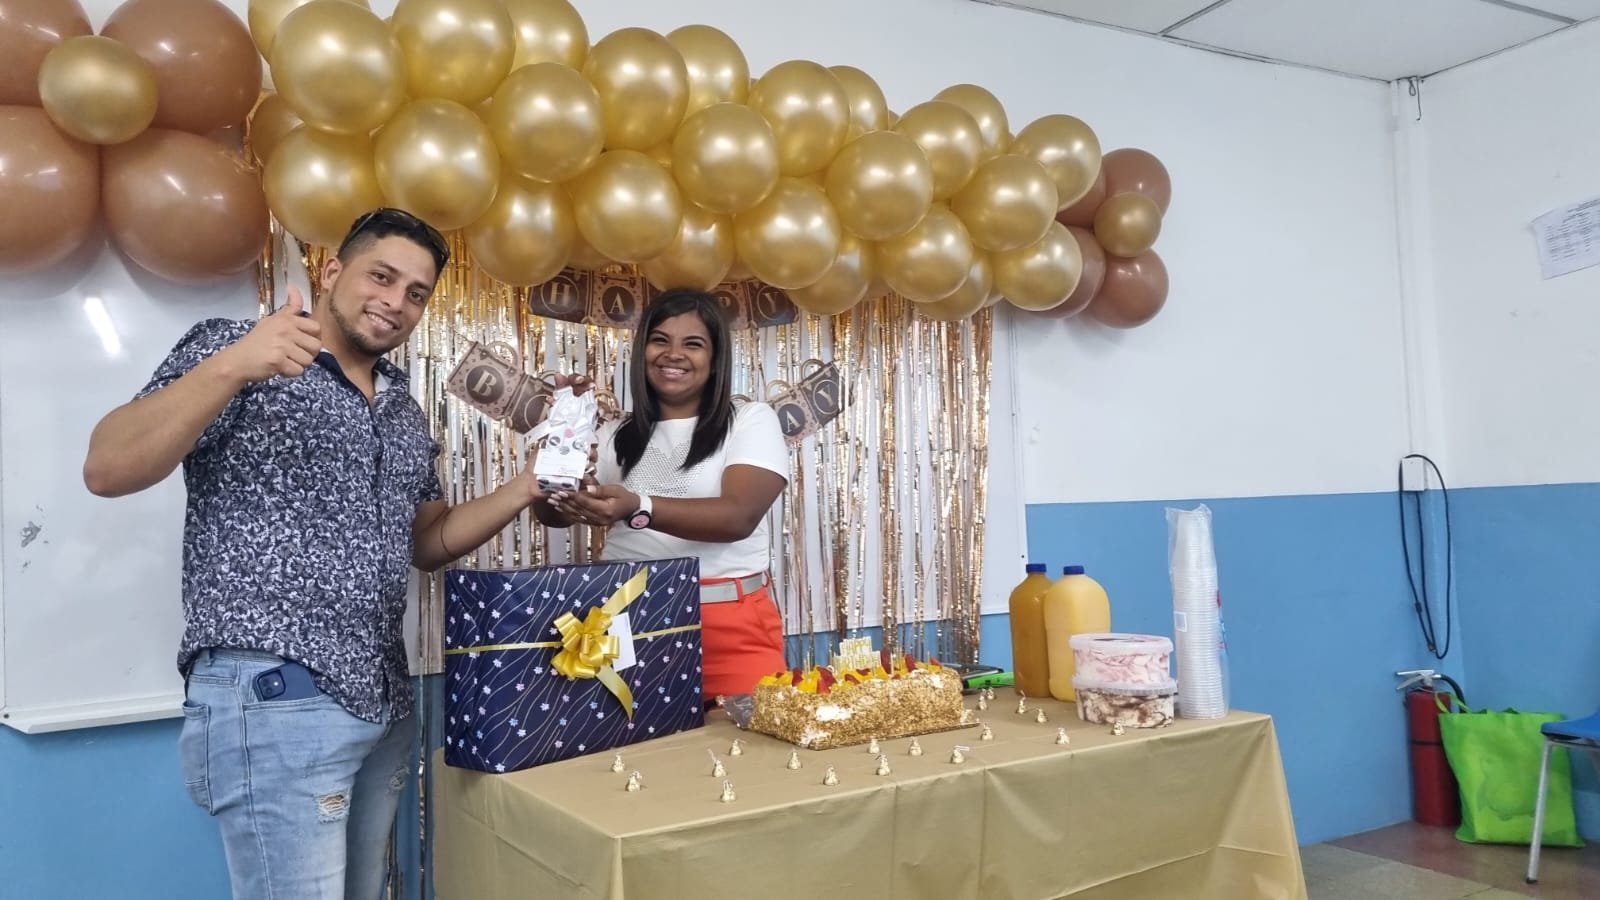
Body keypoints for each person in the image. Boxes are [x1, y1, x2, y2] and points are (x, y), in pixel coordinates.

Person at [82, 208, 559, 900]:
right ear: (332, 271)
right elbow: (107, 467)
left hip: (382, 699)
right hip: (277, 688)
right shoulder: (235, 347)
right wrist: (236, 365)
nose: (395, 302)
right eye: (381, 276)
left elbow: (428, 543)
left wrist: (527, 487)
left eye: (416, 292)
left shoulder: (402, 408)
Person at [534, 288, 791, 699]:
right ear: (642, 352)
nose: (673, 354)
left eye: (693, 344)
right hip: (625, 618)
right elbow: (553, 515)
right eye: (660, 340)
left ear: (715, 359)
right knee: (632, 740)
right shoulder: (613, 433)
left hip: (728, 624)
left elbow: (738, 517)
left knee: (746, 739)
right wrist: (565, 438)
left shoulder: (750, 420)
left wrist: (639, 507)